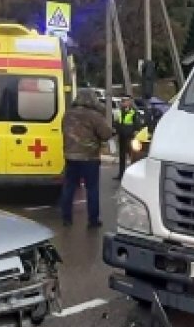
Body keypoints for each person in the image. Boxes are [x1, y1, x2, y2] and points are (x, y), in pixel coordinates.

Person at [61, 88, 113, 228]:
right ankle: (93, 220)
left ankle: (66, 218)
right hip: (89, 158)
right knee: (92, 188)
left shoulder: (68, 114)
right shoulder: (94, 115)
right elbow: (106, 134)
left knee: (69, 187)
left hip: (70, 156)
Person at [112, 96, 142, 180]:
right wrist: (115, 129)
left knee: (132, 156)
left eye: (125, 101)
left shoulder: (134, 111)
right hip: (121, 136)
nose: (123, 102)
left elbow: (137, 124)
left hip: (130, 137)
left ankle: (133, 174)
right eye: (122, 101)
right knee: (122, 156)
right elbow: (116, 122)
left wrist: (135, 132)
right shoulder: (119, 111)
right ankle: (121, 174)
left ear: (129, 102)